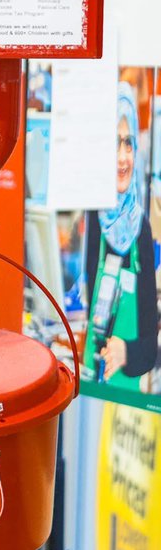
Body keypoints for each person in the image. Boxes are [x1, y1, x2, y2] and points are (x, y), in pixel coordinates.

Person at [83, 80, 158, 388]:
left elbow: (150, 350)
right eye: (114, 143)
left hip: (124, 401)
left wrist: (125, 351)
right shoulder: (91, 217)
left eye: (128, 143)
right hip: (87, 385)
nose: (123, 157)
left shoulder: (140, 229)